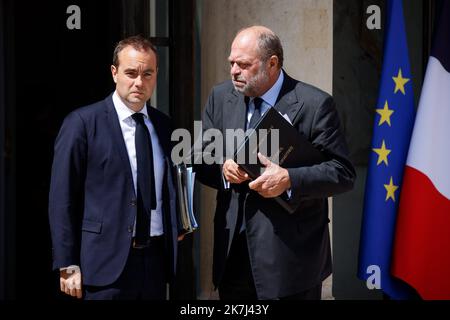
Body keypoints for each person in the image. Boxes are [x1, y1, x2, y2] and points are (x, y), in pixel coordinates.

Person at [195, 26, 356, 300]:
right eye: (232, 63)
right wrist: (223, 167)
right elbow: (200, 157)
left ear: (272, 64)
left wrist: (289, 179)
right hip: (234, 255)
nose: (234, 71)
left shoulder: (314, 104)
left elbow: (342, 173)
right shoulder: (221, 97)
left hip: (291, 260)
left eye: (244, 65)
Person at [48, 35, 180, 300]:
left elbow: (171, 185)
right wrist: (67, 263)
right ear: (114, 72)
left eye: (147, 74)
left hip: (154, 261)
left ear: (156, 76)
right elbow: (62, 198)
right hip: (103, 264)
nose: (139, 82)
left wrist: (180, 223)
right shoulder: (82, 123)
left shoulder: (165, 126)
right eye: (131, 73)